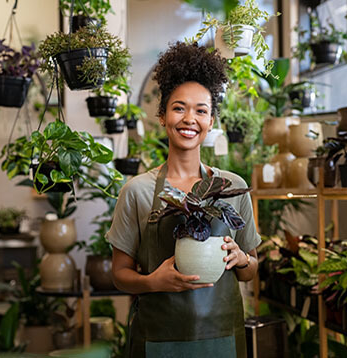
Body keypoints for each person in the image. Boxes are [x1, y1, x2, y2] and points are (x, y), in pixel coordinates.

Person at [106, 42, 261, 358]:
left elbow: (251, 269)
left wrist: (241, 259)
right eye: (179, 108)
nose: (190, 119)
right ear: (162, 116)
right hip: (159, 342)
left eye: (201, 110)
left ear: (211, 122)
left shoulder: (232, 186)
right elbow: (120, 275)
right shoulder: (137, 191)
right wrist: (154, 282)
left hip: (222, 341)